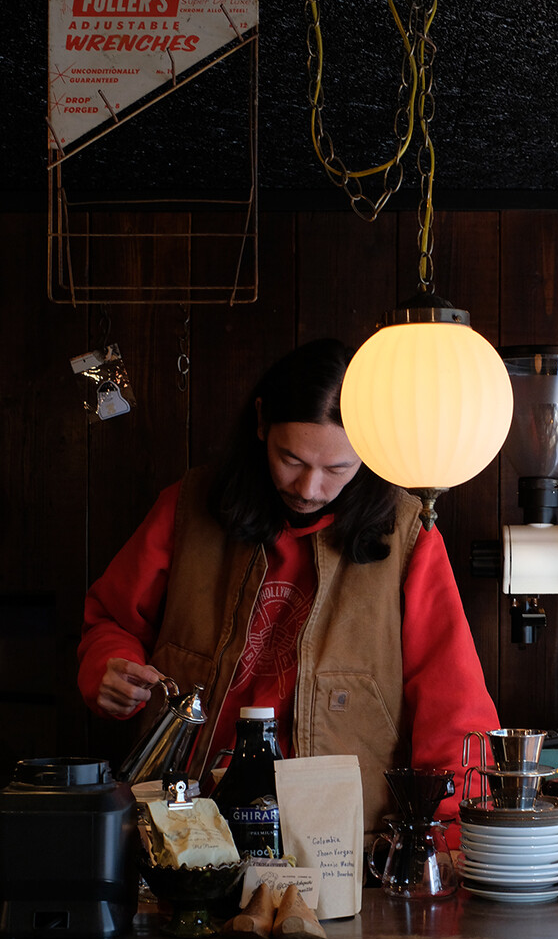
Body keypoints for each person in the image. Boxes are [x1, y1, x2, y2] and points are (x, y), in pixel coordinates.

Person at [77, 337, 499, 841]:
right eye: (291, 459)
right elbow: (111, 621)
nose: (309, 488)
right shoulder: (188, 508)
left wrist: (449, 839)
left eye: (337, 468)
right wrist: (108, 667)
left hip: (341, 840)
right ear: (261, 422)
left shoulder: (409, 534)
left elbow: (451, 705)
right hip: (184, 824)